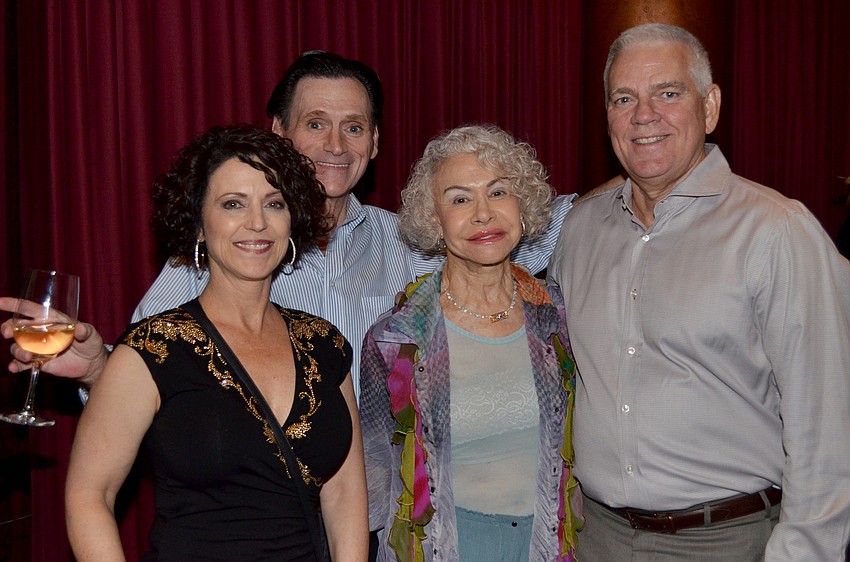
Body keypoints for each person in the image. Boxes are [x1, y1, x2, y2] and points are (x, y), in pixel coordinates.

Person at [1, 51, 573, 399]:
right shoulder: (218, 250)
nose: (334, 145)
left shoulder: (411, 242)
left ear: (375, 143)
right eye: (315, 123)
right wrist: (97, 367)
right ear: (278, 131)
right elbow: (144, 377)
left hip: (369, 514)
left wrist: (643, 183)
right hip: (245, 511)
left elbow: (530, 222)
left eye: (354, 127)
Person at [548, 23, 850, 561]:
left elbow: (828, 424)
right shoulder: (579, 231)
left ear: (709, 106)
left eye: (668, 93)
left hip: (726, 541)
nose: (644, 115)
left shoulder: (777, 231)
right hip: (593, 536)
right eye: (624, 98)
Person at [65, 125, 368, 561]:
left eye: (274, 204)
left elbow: (343, 497)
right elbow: (90, 494)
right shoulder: (153, 349)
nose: (257, 223)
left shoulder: (324, 344)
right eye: (232, 204)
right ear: (199, 225)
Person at [359, 125, 582, 562]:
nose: (483, 213)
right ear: (435, 221)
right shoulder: (397, 338)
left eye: (498, 192)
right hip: (440, 547)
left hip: (549, 543)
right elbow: (374, 478)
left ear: (523, 207)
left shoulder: (558, 320)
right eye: (460, 199)